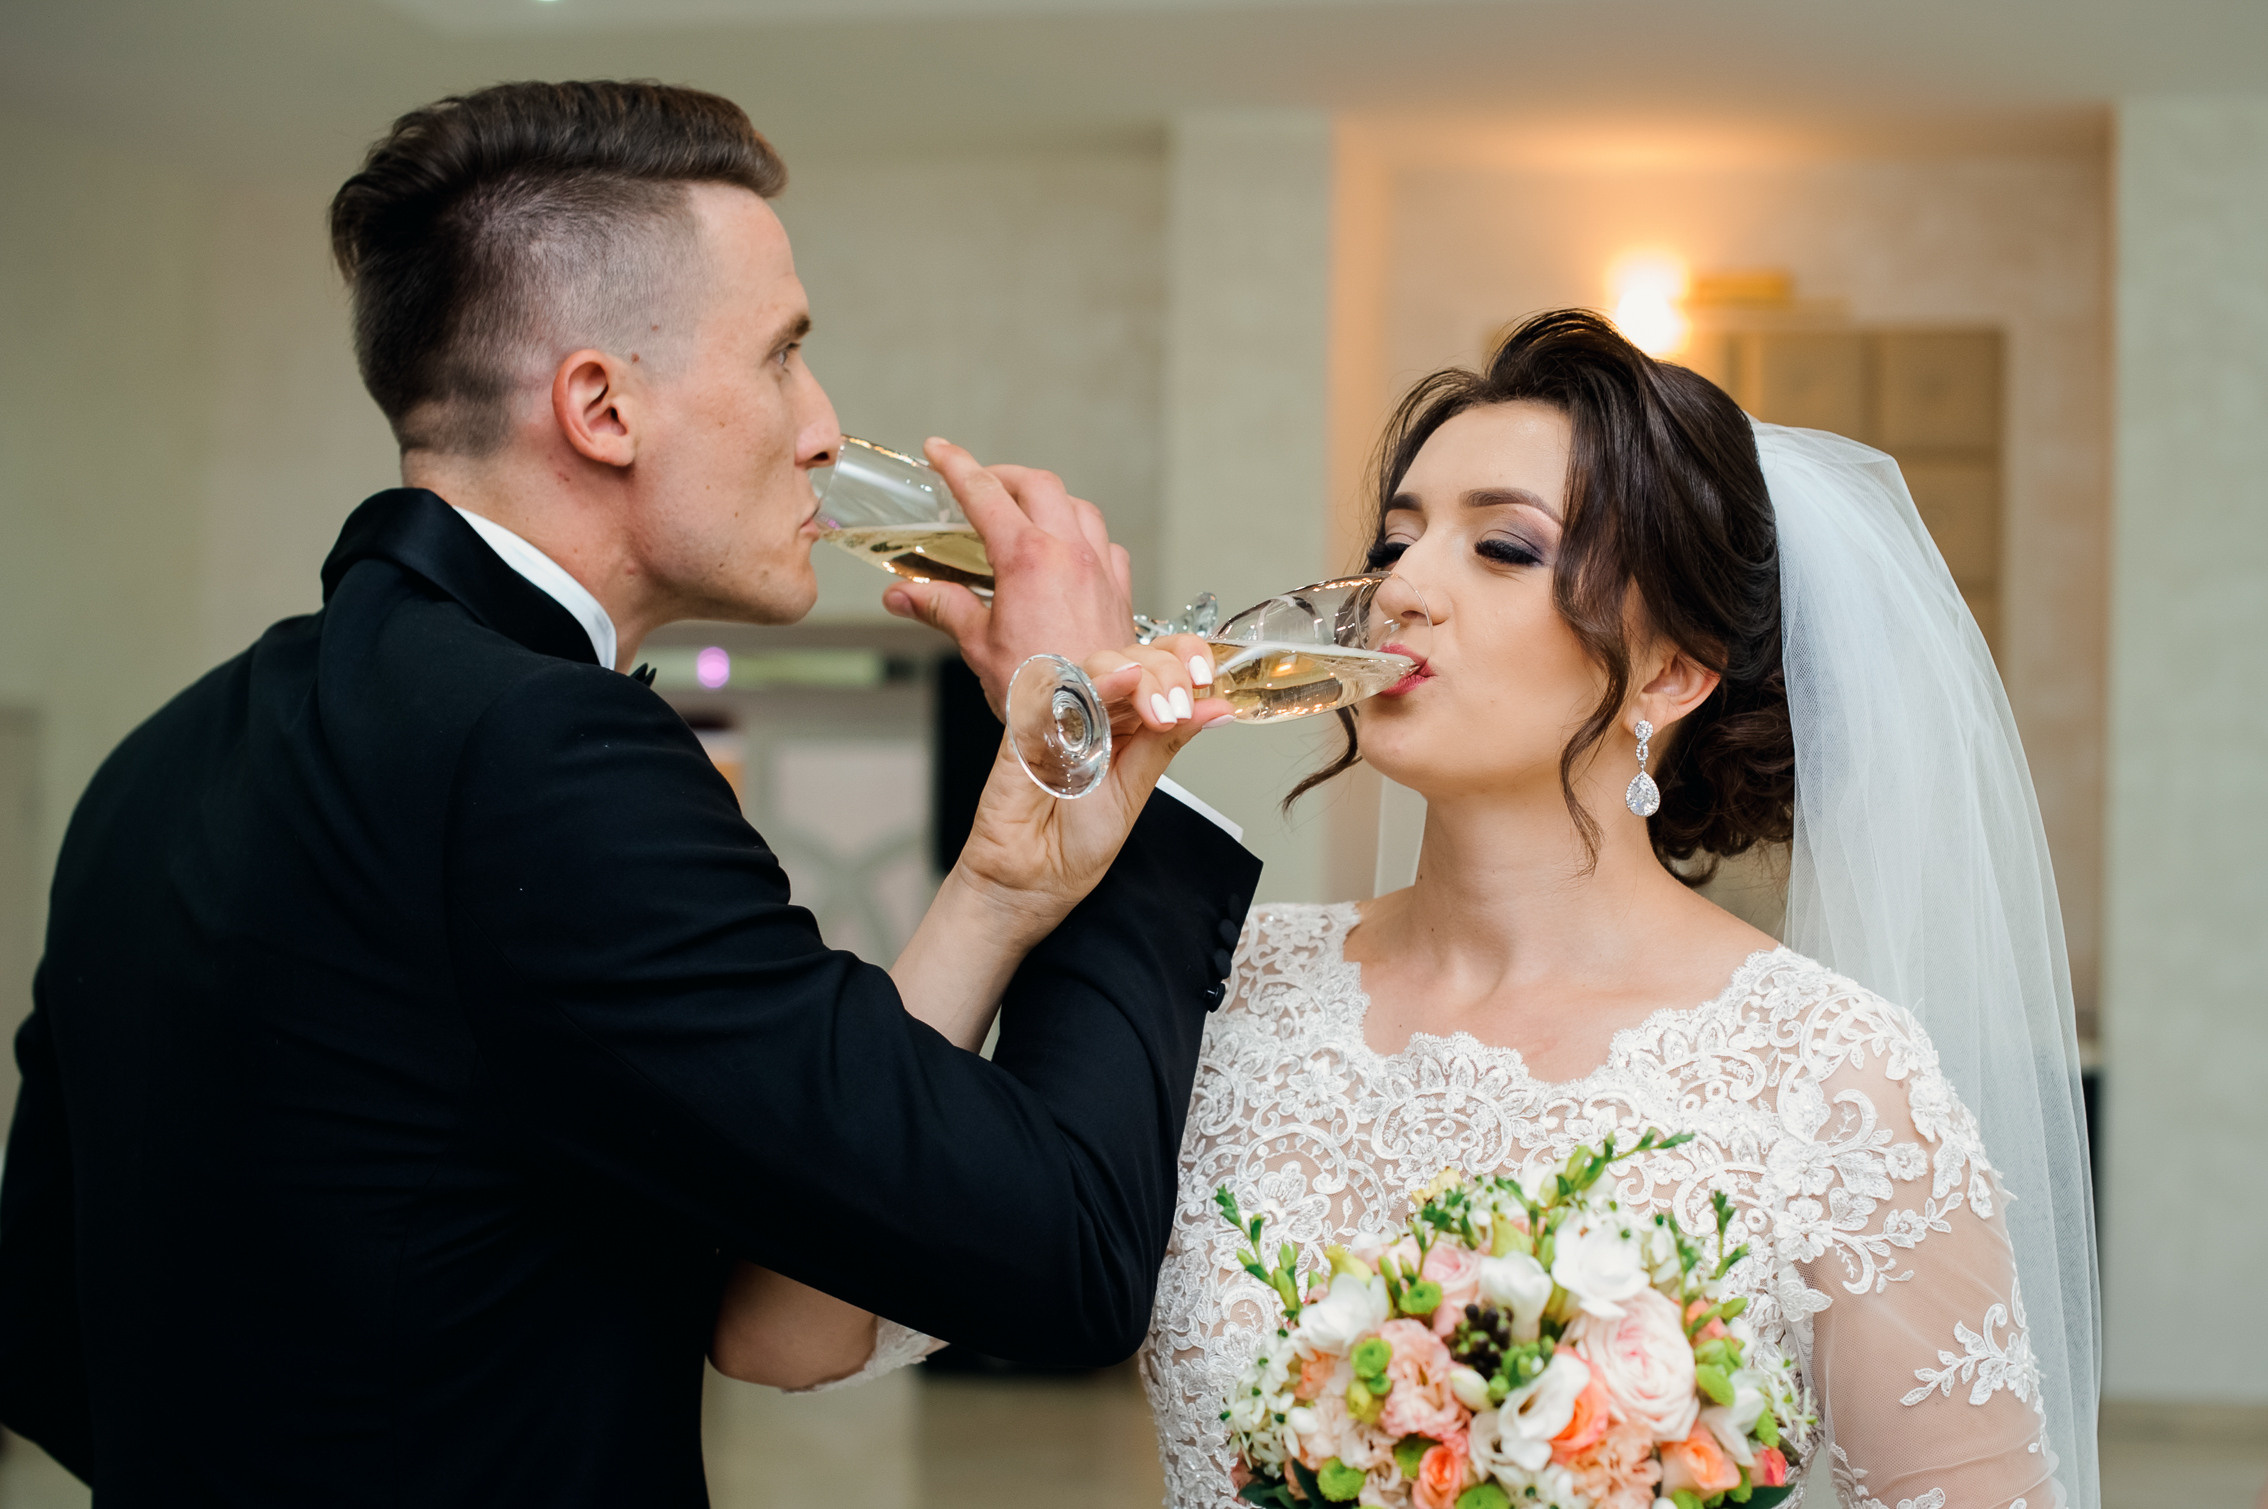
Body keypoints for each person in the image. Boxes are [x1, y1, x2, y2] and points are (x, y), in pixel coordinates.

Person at [0, 80, 1259, 1505]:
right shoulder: (551, 756)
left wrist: (1010, 870)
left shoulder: (159, 760)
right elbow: (1063, 1249)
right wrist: (1100, 724)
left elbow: (47, 1341)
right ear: (600, 405)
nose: (825, 430)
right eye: (784, 356)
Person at [760, 311, 2100, 1509]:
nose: (1402, 586)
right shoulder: (1217, 988)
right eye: (1396, 538)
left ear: (1677, 672)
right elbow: (790, 1330)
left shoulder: (1830, 1076)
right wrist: (1003, 886)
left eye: (1502, 546)